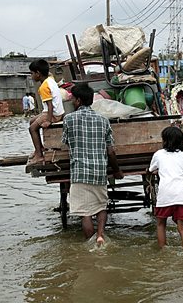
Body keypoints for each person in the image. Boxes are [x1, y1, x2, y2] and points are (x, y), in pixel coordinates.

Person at [61, 82, 124, 245]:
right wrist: (117, 171)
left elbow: (66, 142)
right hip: (99, 171)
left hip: (79, 172)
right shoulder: (103, 120)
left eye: (73, 99)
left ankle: (90, 242)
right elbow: (110, 151)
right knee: (101, 206)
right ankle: (101, 235)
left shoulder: (68, 119)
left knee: (85, 213)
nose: (72, 101)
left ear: (79, 101)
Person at [147, 126, 183, 249]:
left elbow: (151, 169)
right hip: (182, 195)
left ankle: (163, 250)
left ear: (165, 140)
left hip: (166, 194)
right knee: (182, 227)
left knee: (161, 224)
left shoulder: (159, 154)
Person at [28, 59, 65, 165]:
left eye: (32, 73)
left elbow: (50, 105)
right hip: (57, 112)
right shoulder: (50, 79)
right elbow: (49, 73)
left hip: (53, 114)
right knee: (32, 121)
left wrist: (48, 120)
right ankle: (40, 148)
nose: (31, 76)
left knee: (32, 128)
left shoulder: (44, 87)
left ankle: (39, 156)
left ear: (38, 73)